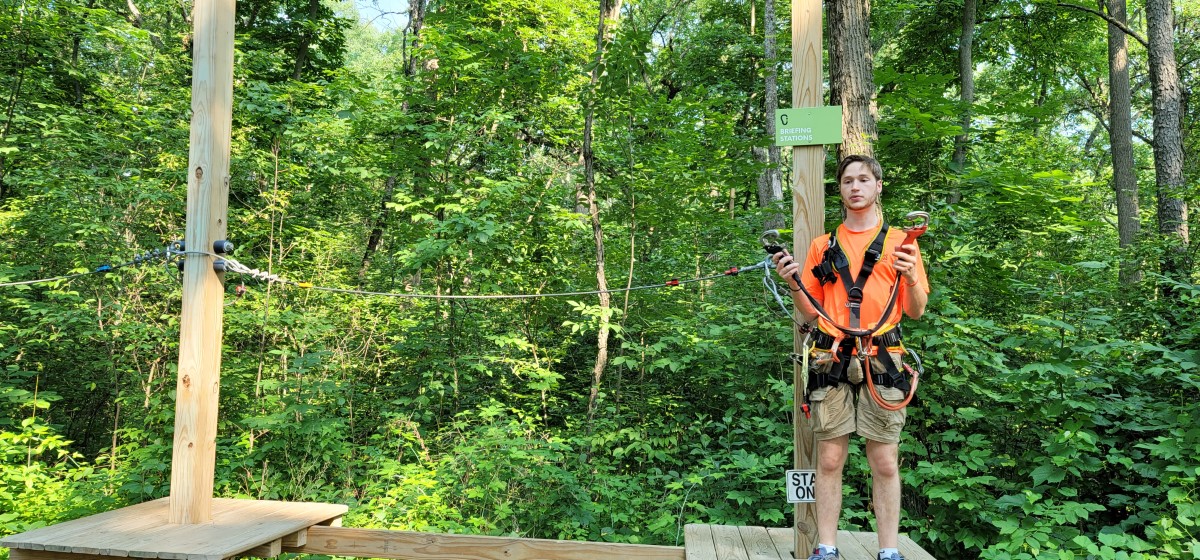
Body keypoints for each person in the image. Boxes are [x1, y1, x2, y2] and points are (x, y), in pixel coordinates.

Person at [771, 155, 928, 560]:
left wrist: (910, 276)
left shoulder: (902, 243)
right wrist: (792, 282)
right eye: (847, 181)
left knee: (885, 459)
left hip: (884, 359)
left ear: (879, 186)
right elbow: (810, 312)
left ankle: (889, 550)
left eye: (863, 179)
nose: (855, 187)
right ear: (839, 191)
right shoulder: (824, 246)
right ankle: (826, 546)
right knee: (829, 455)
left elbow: (916, 310)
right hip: (832, 358)